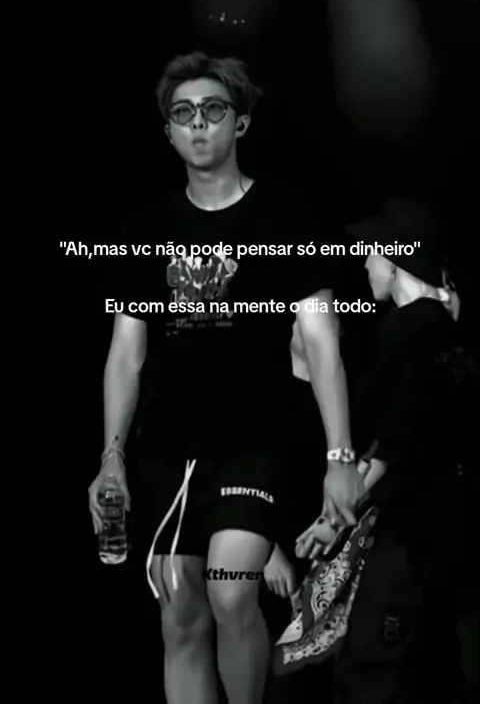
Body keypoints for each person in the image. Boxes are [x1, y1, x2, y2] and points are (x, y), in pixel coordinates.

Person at [88, 51, 364, 704]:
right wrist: (110, 457)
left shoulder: (286, 219)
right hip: (167, 448)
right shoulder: (147, 230)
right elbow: (125, 355)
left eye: (213, 109)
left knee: (231, 588)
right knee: (179, 612)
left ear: (239, 123)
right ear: (167, 131)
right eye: (183, 113)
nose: (198, 123)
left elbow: (321, 342)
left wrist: (339, 456)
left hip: (256, 440)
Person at [325, 197, 467, 704]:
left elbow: (391, 441)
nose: (366, 263)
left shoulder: (402, 332)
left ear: (395, 257)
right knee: (435, 667)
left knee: (372, 670)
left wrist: (335, 515)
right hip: (446, 536)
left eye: (372, 252)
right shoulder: (447, 332)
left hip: (405, 536)